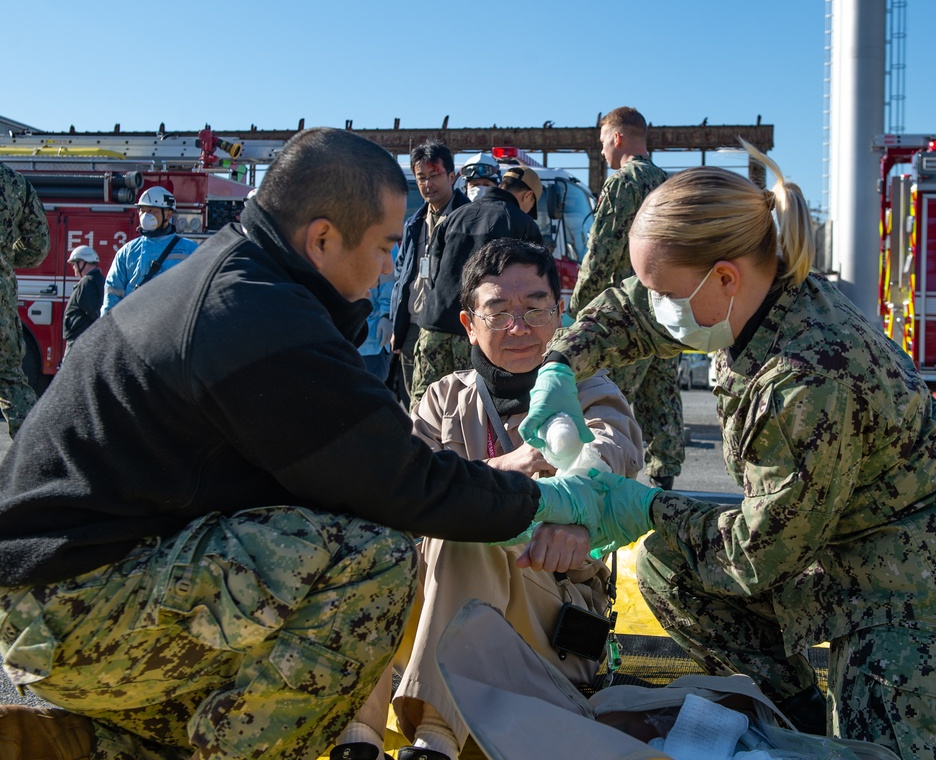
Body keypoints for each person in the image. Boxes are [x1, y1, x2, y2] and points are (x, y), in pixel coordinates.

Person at [0, 128, 611, 760]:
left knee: (322, 538)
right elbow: (399, 484)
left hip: (63, 596)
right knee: (372, 555)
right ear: (321, 239)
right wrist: (546, 502)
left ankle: (117, 742)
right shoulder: (254, 316)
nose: (384, 270)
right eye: (381, 247)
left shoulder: (236, 281)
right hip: (68, 607)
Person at [518, 142, 936, 759]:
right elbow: (632, 311)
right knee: (672, 565)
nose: (659, 306)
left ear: (724, 276)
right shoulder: (749, 299)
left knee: (890, 756)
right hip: (831, 544)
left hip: (918, 583)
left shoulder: (808, 377)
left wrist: (641, 507)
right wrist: (561, 364)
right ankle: (799, 714)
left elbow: (756, 555)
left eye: (667, 291)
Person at [333, 238, 644, 760]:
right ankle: (359, 738)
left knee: (474, 522)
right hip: (445, 613)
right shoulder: (444, 398)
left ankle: (436, 735)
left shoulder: (586, 391)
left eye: (535, 308)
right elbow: (400, 494)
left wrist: (570, 515)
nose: (519, 326)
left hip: (550, 624)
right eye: (498, 312)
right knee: (373, 536)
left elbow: (610, 459)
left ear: (559, 312)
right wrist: (506, 469)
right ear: (468, 324)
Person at [569, 106, 684, 490]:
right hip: (668, 312)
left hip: (626, 317)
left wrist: (579, 312)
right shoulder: (668, 185)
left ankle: (603, 486)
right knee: (662, 400)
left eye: (603, 142)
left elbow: (601, 255)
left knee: (607, 400)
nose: (602, 152)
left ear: (617, 138)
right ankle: (664, 486)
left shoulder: (623, 183)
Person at [409, 165, 544, 410]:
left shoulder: (454, 216)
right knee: (473, 415)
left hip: (432, 327)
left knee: (423, 409)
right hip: (476, 333)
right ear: (527, 196)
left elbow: (432, 273)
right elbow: (530, 286)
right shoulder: (523, 224)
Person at [389, 142, 469, 409]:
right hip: (414, 325)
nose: (427, 184)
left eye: (434, 175)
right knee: (416, 405)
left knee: (455, 404)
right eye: (421, 177)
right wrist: (396, 326)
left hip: (452, 330)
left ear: (451, 176)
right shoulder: (413, 224)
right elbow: (402, 277)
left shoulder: (469, 219)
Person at [0, 163, 49, 438]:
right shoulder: (15, 183)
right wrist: (6, 257)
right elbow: (37, 246)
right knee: (10, 381)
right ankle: (39, 465)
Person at [101, 185, 199, 314]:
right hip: (134, 326)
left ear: (168, 214)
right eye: (142, 210)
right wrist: (108, 329)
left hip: (171, 325)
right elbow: (113, 292)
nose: (146, 216)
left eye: (153, 211)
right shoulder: (127, 252)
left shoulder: (190, 249)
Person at [358, 244, 397, 382]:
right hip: (343, 339)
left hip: (373, 338)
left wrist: (386, 315)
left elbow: (391, 282)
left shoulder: (383, 238)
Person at [62, 244, 104, 359]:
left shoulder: (87, 283)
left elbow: (93, 311)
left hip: (78, 342)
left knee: (69, 375)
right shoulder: (98, 280)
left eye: (74, 264)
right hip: (86, 340)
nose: (73, 268)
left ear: (81, 263)